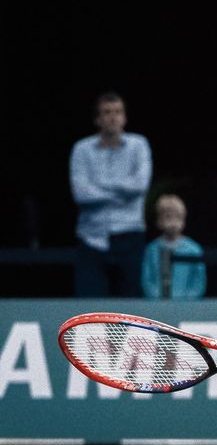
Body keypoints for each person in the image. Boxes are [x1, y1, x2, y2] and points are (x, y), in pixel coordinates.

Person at [69, 91, 152, 297]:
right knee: (89, 308)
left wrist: (100, 186)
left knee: (131, 306)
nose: (113, 117)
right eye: (107, 112)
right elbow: (81, 194)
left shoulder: (139, 145)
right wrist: (122, 192)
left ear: (124, 117)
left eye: (118, 111)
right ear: (97, 119)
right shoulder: (81, 149)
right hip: (91, 239)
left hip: (130, 235)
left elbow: (140, 185)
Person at [141, 194, 206, 300]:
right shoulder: (151, 249)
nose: (173, 223)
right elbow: (147, 280)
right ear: (159, 220)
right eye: (168, 217)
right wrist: (157, 299)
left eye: (178, 217)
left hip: (188, 308)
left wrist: (188, 301)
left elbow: (198, 281)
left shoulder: (194, 249)